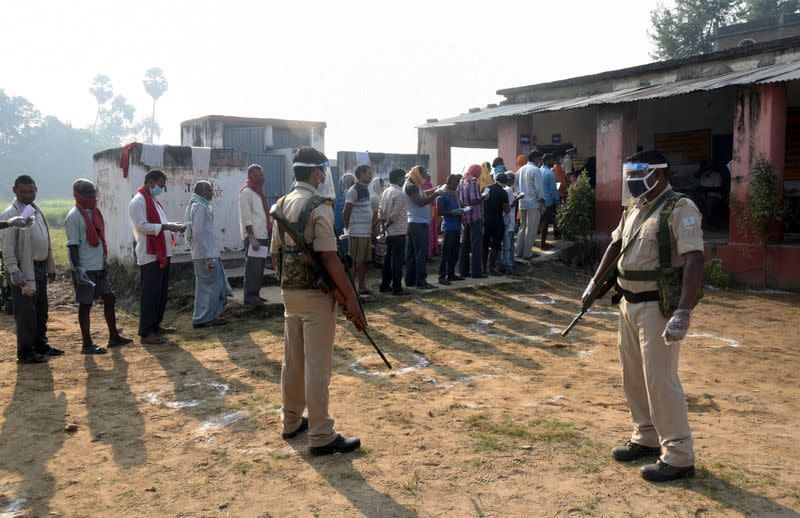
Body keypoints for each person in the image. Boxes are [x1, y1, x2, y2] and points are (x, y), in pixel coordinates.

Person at [584, 149, 704, 482]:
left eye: (638, 175)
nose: (632, 181)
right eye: (630, 176)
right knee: (633, 376)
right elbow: (615, 245)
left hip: (657, 307)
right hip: (627, 303)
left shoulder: (681, 209)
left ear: (659, 174)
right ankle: (646, 435)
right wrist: (595, 282)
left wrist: (682, 311)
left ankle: (679, 455)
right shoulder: (635, 208)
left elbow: (694, 258)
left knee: (660, 381)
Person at [270, 146, 366, 456]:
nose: (324, 176)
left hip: (289, 292)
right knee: (316, 365)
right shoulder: (318, 205)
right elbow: (329, 257)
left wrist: (289, 283)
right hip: (315, 296)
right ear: (316, 173)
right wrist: (351, 299)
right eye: (322, 171)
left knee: (293, 360)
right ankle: (322, 434)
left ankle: (291, 420)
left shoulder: (282, 204)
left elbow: (275, 254)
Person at [66, 179, 132, 354]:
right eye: (88, 192)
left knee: (109, 298)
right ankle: (87, 343)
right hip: (85, 268)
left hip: (98, 265)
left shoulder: (94, 212)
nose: (92, 195)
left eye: (93, 191)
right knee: (86, 304)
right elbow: (72, 245)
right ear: (78, 194)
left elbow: (100, 238)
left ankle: (113, 336)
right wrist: (78, 269)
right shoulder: (74, 216)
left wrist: (104, 261)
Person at [1, 175, 62, 363]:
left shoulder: (35, 210)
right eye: (23, 192)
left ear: (36, 190)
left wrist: (50, 265)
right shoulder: (10, 214)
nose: (27, 195)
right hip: (24, 269)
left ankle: (41, 345)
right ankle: (26, 352)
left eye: (31, 191)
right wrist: (13, 270)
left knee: (41, 310)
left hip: (40, 267)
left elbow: (46, 241)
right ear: (15, 191)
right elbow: (7, 246)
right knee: (26, 313)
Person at [128, 169, 186, 345]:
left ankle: (155, 325)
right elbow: (141, 226)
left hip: (162, 252)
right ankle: (145, 332)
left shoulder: (153, 201)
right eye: (160, 185)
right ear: (150, 182)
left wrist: (170, 226)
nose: (161, 189)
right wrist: (167, 227)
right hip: (149, 254)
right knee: (150, 294)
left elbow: (160, 224)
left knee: (160, 293)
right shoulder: (138, 201)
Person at [186, 181, 232, 328]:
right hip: (205, 255)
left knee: (211, 287)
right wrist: (208, 258)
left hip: (208, 253)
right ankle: (205, 318)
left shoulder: (202, 206)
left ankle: (204, 318)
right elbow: (198, 234)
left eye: (211, 190)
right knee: (212, 288)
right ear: (200, 192)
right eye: (208, 190)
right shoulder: (199, 207)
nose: (212, 193)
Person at [238, 164, 273, 306]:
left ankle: (255, 294)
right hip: (254, 236)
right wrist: (252, 238)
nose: (261, 177)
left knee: (259, 268)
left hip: (262, 235)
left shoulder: (258, 193)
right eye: (258, 174)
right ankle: (250, 297)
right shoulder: (246, 192)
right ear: (251, 176)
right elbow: (246, 216)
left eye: (262, 174)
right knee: (252, 268)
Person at [404, 166, 441, 289]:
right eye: (424, 173)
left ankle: (410, 280)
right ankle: (421, 281)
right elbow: (420, 202)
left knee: (413, 253)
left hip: (415, 222)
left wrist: (436, 189)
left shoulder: (413, 185)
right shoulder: (411, 186)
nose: (426, 175)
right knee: (420, 253)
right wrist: (436, 194)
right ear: (418, 174)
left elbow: (424, 194)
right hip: (417, 223)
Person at [342, 164, 374, 294]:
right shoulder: (353, 190)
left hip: (365, 232)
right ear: (361, 174)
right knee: (355, 260)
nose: (370, 175)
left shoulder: (366, 189)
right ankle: (350, 289)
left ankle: (362, 287)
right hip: (357, 232)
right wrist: (347, 229)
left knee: (363, 261)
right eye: (368, 173)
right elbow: (346, 211)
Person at [377, 168, 408, 295]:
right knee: (397, 261)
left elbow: (380, 211)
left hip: (389, 232)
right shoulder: (399, 193)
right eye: (403, 178)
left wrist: (383, 225)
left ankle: (384, 285)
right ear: (399, 179)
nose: (404, 180)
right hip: (398, 231)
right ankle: (396, 287)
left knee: (388, 259)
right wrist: (385, 226)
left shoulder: (386, 191)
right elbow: (394, 216)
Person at [458, 164, 487, 278]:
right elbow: (474, 200)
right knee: (476, 245)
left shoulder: (462, 181)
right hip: (475, 216)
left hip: (465, 216)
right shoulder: (473, 182)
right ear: (477, 172)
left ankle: (463, 270)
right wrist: (484, 196)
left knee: (465, 244)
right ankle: (476, 272)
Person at [515, 151, 545, 260]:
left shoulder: (521, 169)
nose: (540, 161)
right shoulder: (536, 170)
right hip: (533, 203)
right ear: (536, 158)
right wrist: (543, 203)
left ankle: (519, 252)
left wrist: (519, 193)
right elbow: (539, 189)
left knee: (522, 227)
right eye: (540, 159)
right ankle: (527, 253)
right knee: (530, 228)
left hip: (522, 202)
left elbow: (515, 183)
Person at [436, 174, 465, 285]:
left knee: (455, 252)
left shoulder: (454, 194)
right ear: (449, 183)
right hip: (448, 227)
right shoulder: (442, 195)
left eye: (458, 183)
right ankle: (442, 276)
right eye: (455, 183)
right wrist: (452, 213)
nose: (457, 185)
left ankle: (451, 274)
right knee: (446, 253)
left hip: (457, 226)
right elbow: (439, 212)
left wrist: (462, 210)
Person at [482, 174, 510, 274]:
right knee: (495, 245)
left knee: (484, 244)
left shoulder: (486, 188)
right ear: (505, 182)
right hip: (497, 221)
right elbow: (506, 210)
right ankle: (491, 268)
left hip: (485, 220)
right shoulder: (503, 192)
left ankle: (483, 268)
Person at [495, 173, 520, 274]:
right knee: (507, 245)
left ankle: (501, 263)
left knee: (502, 244)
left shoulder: (498, 189)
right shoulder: (508, 190)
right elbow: (509, 207)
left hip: (500, 220)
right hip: (508, 220)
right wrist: (517, 199)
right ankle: (508, 265)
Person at [539, 154, 560, 250]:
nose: (553, 162)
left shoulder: (538, 171)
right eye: (552, 160)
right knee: (545, 223)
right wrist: (557, 201)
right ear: (547, 161)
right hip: (548, 202)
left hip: (538, 201)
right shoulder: (549, 173)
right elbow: (553, 190)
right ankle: (543, 244)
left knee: (540, 223)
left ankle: (539, 243)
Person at [422, 171, 440, 258]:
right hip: (427, 213)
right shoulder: (424, 187)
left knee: (432, 233)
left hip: (430, 213)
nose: (429, 178)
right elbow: (426, 196)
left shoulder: (429, 186)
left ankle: (431, 252)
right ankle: (428, 253)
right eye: (427, 176)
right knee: (429, 233)